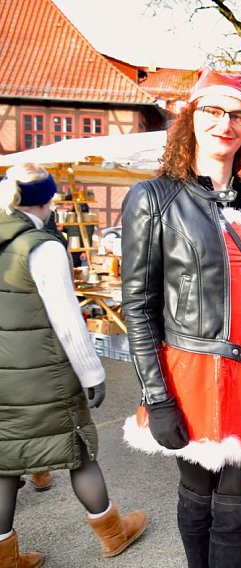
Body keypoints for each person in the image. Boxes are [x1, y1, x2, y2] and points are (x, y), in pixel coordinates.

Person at [120, 69, 241, 568]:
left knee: (240, 504)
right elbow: (137, 306)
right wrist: (157, 398)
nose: (226, 123)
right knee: (197, 490)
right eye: (213, 111)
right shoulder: (153, 198)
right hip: (193, 369)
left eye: (238, 114)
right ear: (191, 119)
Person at [0, 163, 147, 567]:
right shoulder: (42, 246)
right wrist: (93, 374)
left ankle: (5, 557)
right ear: (46, 202)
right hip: (43, 372)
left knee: (5, 462)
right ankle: (113, 535)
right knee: (80, 453)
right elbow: (67, 321)